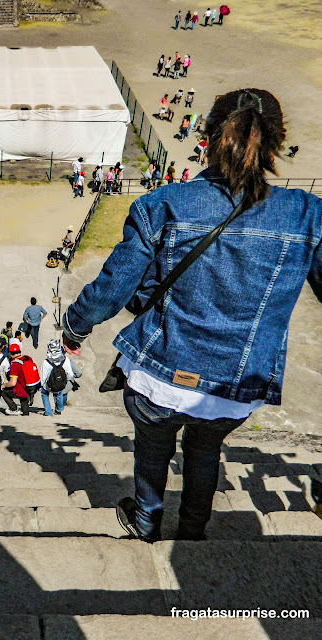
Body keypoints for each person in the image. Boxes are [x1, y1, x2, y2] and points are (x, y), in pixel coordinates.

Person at [61, 88, 322, 543]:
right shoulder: (308, 215)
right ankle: (193, 530)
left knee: (153, 449)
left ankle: (146, 519)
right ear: (276, 144)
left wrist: (74, 326)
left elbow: (112, 289)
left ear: (207, 136)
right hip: (235, 385)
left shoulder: (163, 204)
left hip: (161, 369)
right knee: (205, 450)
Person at [40, 340, 74, 417]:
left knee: (44, 394)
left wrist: (43, 386)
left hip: (49, 385)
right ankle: (58, 410)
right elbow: (70, 374)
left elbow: (43, 377)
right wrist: (65, 381)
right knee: (58, 394)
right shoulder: (65, 360)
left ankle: (48, 413)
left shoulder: (46, 362)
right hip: (60, 383)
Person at [1, 344, 30, 416]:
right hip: (29, 387)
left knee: (3, 392)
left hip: (20, 389)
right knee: (25, 410)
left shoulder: (14, 364)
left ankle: (13, 408)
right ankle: (25, 412)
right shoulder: (28, 358)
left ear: (10, 354)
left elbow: (12, 383)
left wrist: (4, 385)